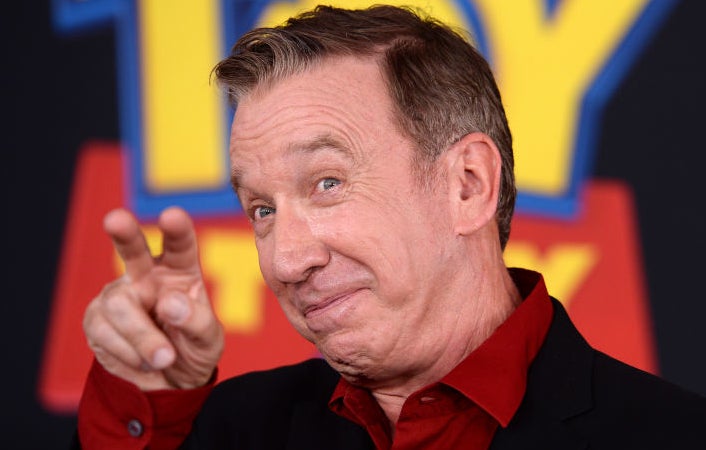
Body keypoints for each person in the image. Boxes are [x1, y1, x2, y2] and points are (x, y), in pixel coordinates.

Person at [74, 5, 706, 449]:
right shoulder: (225, 429)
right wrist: (150, 398)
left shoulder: (673, 435)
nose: (286, 260)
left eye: (327, 183)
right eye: (262, 210)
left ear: (468, 185)